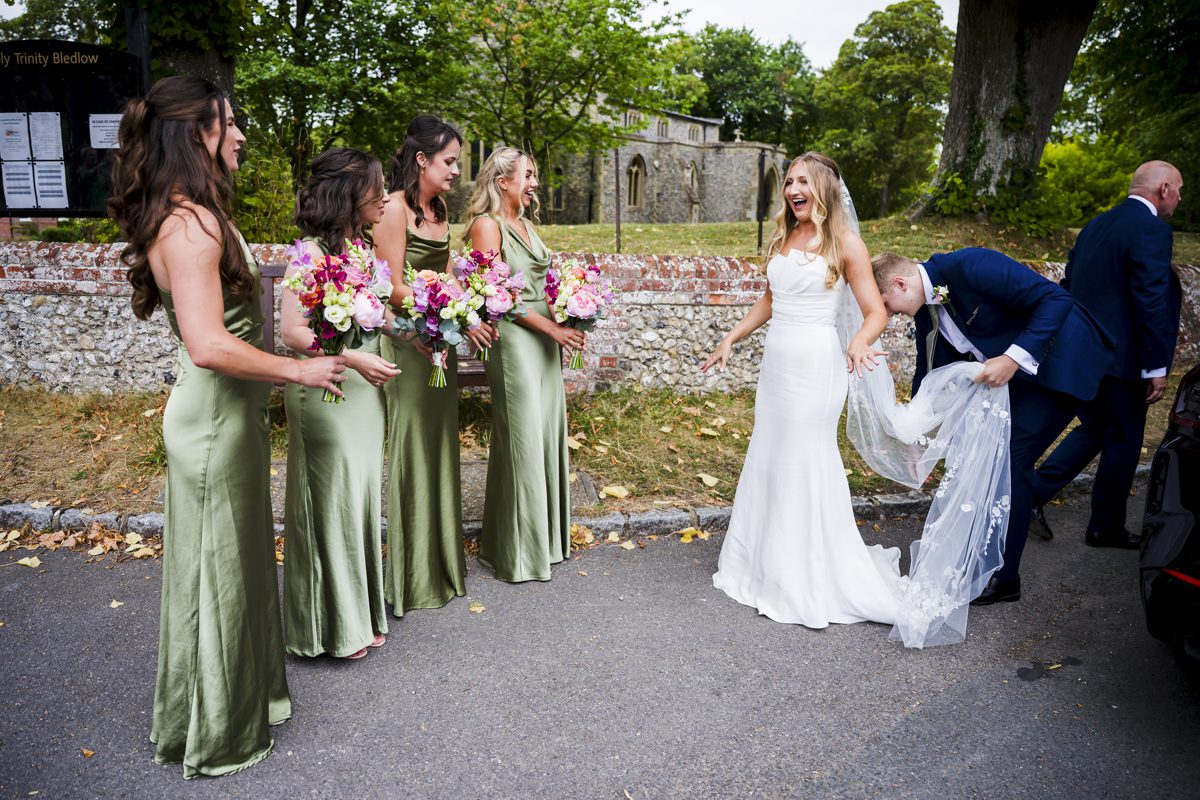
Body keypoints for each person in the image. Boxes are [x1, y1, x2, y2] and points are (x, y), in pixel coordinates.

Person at [108, 75, 346, 777]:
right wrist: (299, 371)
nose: (240, 134)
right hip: (214, 421)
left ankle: (235, 700)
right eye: (228, 124)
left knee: (229, 567)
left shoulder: (190, 214)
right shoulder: (191, 224)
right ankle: (217, 729)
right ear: (197, 136)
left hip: (224, 418)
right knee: (219, 572)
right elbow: (209, 344)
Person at [701, 152, 901, 630]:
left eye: (803, 182)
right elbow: (772, 298)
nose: (793, 189)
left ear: (825, 189)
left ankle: (804, 577)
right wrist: (732, 336)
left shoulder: (846, 243)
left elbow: (876, 311)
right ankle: (764, 568)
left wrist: (858, 340)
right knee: (770, 455)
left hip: (816, 366)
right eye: (789, 181)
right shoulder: (786, 236)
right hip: (778, 368)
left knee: (802, 459)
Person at [873, 247, 1116, 605]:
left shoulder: (970, 266)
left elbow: (1055, 298)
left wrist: (1012, 358)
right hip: (1019, 381)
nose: (889, 316)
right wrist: (917, 436)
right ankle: (994, 545)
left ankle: (1005, 578)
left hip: (1061, 362)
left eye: (886, 305)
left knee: (1012, 460)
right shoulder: (926, 313)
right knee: (988, 455)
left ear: (899, 283)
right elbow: (929, 373)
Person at [280, 148, 400, 660]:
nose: (388, 197)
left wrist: (429, 329)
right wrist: (351, 358)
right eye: (379, 188)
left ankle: (359, 611)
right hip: (326, 389)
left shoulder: (363, 251)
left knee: (358, 501)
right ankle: (330, 627)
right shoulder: (309, 253)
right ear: (351, 194)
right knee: (330, 505)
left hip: (364, 397)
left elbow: (381, 315)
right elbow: (292, 332)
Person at [373, 115, 491, 615]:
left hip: (439, 341)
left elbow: (446, 271)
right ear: (420, 159)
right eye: (448, 161)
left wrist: (467, 306)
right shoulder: (393, 210)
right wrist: (438, 303)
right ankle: (410, 576)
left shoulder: (439, 210)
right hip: (406, 343)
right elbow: (389, 285)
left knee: (440, 446)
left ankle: (440, 565)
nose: (455, 171)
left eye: (458, 162)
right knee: (412, 447)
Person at [1031, 161, 1184, 548]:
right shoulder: (1152, 229)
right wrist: (1154, 366)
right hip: (1124, 359)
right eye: (1179, 190)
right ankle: (1104, 528)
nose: (1180, 198)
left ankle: (1031, 494)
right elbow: (1151, 300)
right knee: (1125, 440)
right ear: (1163, 188)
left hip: (1087, 352)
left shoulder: (1096, 226)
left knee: (1098, 428)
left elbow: (1069, 283)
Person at [464, 148, 579, 582]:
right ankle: (517, 552)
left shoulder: (528, 225)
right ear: (502, 181)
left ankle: (543, 542)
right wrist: (552, 331)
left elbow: (542, 284)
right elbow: (499, 296)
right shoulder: (486, 226)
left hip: (546, 338)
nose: (535, 183)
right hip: (513, 341)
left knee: (544, 432)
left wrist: (570, 313)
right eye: (528, 176)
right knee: (523, 438)